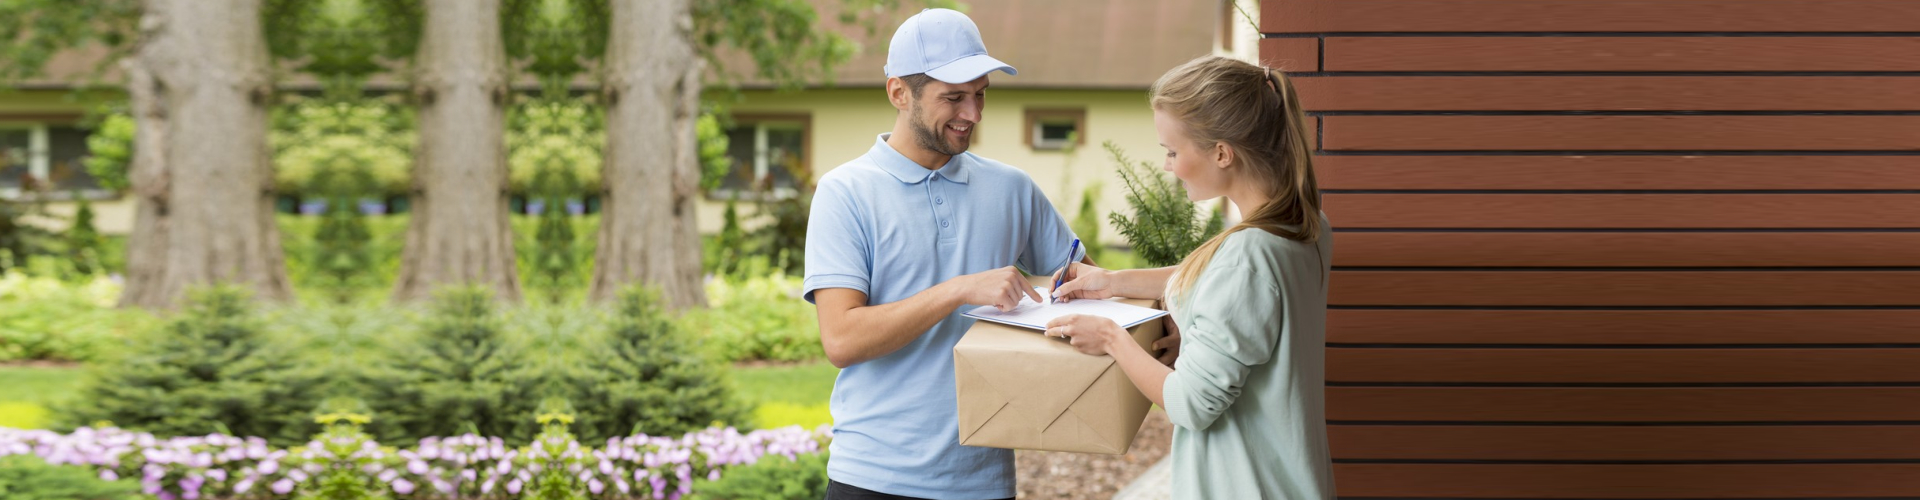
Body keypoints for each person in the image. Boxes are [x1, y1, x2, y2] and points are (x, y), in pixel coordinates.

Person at [802, 8, 1091, 500]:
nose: (973, 114)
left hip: (984, 479)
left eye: (981, 95)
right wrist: (960, 289)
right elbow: (842, 340)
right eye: (953, 97)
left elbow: (1085, 283)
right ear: (899, 92)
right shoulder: (845, 192)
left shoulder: (1011, 188)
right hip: (874, 477)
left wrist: (1154, 321)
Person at [1044, 55, 1336, 499]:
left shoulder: (1247, 256)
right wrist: (1112, 281)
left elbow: (1191, 405)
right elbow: (1219, 285)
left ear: (1222, 153)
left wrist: (1110, 338)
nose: (1167, 165)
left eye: (1172, 151)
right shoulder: (1305, 226)